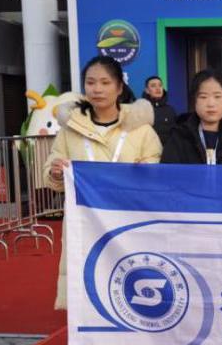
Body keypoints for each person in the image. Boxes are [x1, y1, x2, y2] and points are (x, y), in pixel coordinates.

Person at [44, 56, 162, 310]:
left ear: (119, 88)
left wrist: (148, 172)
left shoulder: (141, 130)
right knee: (88, 292)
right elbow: (53, 170)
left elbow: (156, 172)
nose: (97, 89)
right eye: (91, 82)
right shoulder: (70, 129)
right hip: (85, 223)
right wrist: (55, 173)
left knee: (128, 292)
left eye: (105, 82)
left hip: (129, 223)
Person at [162, 69, 222, 165]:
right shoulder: (178, 140)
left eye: (217, 96)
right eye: (203, 97)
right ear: (194, 101)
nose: (211, 104)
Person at [142, 75, 177, 144]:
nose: (158, 88)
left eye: (160, 85)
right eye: (153, 86)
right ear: (147, 90)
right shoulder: (141, 109)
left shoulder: (170, 110)